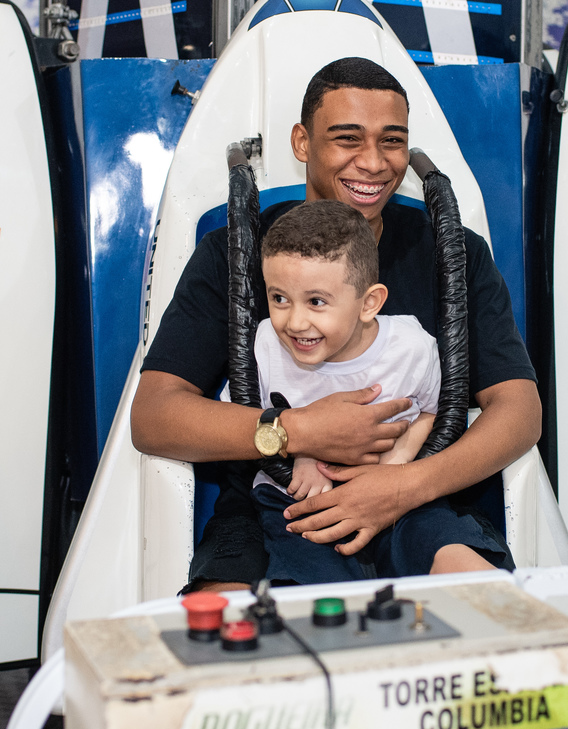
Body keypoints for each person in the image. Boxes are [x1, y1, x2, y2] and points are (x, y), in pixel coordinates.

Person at [131, 57, 540, 590]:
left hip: (421, 499)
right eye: (347, 138)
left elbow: (520, 411)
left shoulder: (453, 253)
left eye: (392, 141)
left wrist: (403, 486)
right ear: (302, 143)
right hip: (274, 505)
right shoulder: (233, 254)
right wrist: (297, 432)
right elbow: (155, 417)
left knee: (478, 595)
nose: (372, 162)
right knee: (232, 630)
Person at [244, 201, 513, 583]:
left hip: (403, 497)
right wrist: (299, 451)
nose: (295, 321)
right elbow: (251, 420)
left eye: (316, 301)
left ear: (369, 303)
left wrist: (398, 466)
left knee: (446, 547)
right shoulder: (266, 344)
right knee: (306, 582)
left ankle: (491, 612)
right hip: (295, 502)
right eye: (279, 298)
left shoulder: (410, 347)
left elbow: (433, 410)